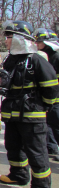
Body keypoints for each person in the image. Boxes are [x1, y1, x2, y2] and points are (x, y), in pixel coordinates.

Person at [0, 21, 59, 188]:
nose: (6, 41)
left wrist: (43, 106)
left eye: (9, 37)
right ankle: (18, 175)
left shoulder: (37, 59)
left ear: (20, 39)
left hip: (32, 115)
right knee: (13, 146)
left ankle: (41, 187)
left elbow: (51, 88)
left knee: (36, 151)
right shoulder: (10, 60)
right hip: (12, 114)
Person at [34, 28, 59, 161]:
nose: (37, 44)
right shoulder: (46, 57)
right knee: (49, 123)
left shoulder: (56, 57)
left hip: (56, 99)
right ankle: (51, 147)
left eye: (39, 42)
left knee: (56, 124)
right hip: (50, 98)